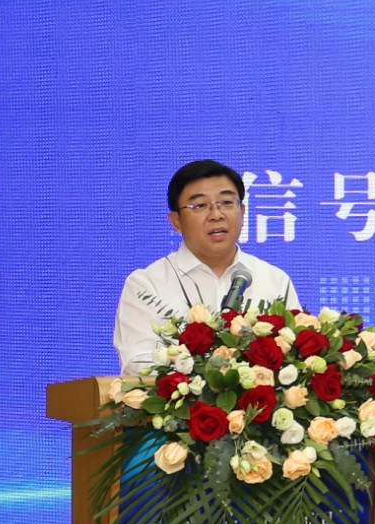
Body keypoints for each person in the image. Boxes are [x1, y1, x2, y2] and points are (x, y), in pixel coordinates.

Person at [113, 159, 300, 374]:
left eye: (227, 202)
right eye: (200, 206)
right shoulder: (146, 286)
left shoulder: (274, 280)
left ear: (243, 211)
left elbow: (296, 360)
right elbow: (138, 365)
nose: (216, 215)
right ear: (176, 221)